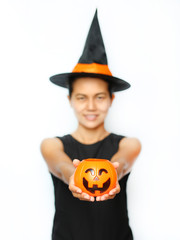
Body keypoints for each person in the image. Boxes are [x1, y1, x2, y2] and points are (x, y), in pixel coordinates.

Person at [41, 10, 141, 240]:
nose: (91, 106)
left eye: (99, 97)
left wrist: (115, 171)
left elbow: (123, 162)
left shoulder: (130, 144)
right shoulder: (51, 146)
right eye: (81, 97)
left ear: (111, 99)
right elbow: (60, 166)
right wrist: (73, 175)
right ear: (70, 100)